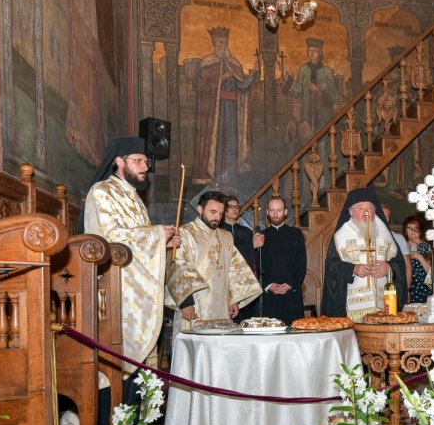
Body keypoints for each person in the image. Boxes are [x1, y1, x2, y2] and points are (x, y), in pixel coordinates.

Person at [80, 137, 179, 400]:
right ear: (119, 162)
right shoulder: (102, 192)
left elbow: (139, 240)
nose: (144, 166)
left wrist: (164, 243)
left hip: (135, 294)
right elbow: (111, 238)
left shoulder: (133, 197)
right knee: (116, 370)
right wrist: (158, 235)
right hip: (115, 293)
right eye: (138, 161)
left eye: (145, 161)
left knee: (138, 377)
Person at [167, 190, 261, 328]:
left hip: (222, 306)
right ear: (200, 209)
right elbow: (177, 268)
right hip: (195, 306)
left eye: (221, 214)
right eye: (213, 212)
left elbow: (233, 269)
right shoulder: (184, 233)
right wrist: (185, 303)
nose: (217, 217)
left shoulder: (226, 236)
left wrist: (233, 299)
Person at [322, 188, 407, 318]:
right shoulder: (341, 236)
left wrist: (388, 267)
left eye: (370, 208)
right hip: (352, 309)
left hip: (384, 307)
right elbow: (331, 267)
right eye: (360, 208)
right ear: (350, 212)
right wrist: (352, 269)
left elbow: (400, 263)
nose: (366, 212)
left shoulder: (385, 234)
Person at [191, 27, 257, 185]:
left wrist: (254, 73)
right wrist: (221, 78)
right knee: (216, 144)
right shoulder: (207, 62)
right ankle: (214, 177)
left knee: (231, 144)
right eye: (220, 42)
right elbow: (202, 87)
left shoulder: (233, 63)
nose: (223, 45)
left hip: (232, 111)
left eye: (225, 42)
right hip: (215, 111)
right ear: (214, 42)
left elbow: (242, 86)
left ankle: (230, 178)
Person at [252, 196, 306, 324]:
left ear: (285, 212)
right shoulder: (260, 236)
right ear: (267, 212)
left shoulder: (296, 234)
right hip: (268, 298)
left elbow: (301, 265)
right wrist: (268, 285)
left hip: (291, 296)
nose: (275, 214)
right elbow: (255, 267)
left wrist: (290, 284)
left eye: (279, 210)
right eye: (272, 210)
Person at [284, 38, 340, 131]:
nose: (312, 53)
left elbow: (334, 95)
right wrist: (286, 77)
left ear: (320, 53)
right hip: (307, 113)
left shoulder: (327, 72)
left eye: (315, 51)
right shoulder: (303, 70)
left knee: (322, 141)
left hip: (322, 114)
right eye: (310, 50)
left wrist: (318, 90)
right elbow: (299, 90)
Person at [402, 215, 433, 304]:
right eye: (410, 228)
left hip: (424, 286)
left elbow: (431, 271)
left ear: (420, 231)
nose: (413, 231)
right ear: (405, 230)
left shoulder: (427, 247)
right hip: (408, 287)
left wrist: (420, 257)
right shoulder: (402, 246)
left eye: (416, 228)